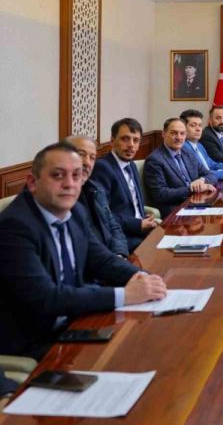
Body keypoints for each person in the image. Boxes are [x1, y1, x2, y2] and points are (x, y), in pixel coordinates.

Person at [0, 142, 166, 360]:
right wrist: (125, 295)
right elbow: (47, 298)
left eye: (76, 175)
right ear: (32, 182)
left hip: (75, 322)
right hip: (34, 341)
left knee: (148, 347)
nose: (70, 184)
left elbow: (102, 260)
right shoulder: (14, 226)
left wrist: (144, 278)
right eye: (58, 175)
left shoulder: (75, 211)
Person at [92, 118, 158, 253]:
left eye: (136, 140)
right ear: (112, 141)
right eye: (125, 139)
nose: (131, 145)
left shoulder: (131, 165)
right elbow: (103, 215)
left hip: (142, 231)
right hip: (123, 238)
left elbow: (133, 205)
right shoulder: (102, 168)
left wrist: (144, 217)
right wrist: (138, 224)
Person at [67, 136, 129, 257]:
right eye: (81, 154)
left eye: (92, 157)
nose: (87, 162)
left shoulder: (96, 189)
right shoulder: (60, 199)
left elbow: (114, 226)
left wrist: (120, 253)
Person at [144, 118, 218, 217]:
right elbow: (161, 194)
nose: (179, 137)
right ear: (164, 134)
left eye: (182, 133)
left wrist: (202, 180)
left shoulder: (187, 153)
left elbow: (210, 175)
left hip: (196, 203)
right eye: (174, 133)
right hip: (175, 210)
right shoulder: (155, 160)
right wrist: (192, 189)